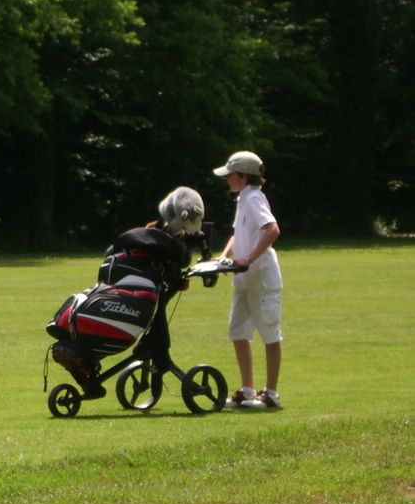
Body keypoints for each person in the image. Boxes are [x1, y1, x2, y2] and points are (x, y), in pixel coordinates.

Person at [49, 186, 207, 398]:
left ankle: (87, 374)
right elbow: (179, 261)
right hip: (141, 294)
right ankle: (159, 361)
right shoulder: (163, 244)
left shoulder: (140, 238)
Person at [213, 151, 283, 409]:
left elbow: (272, 230)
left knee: (269, 334)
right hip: (244, 280)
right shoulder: (243, 199)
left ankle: (271, 394)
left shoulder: (254, 198)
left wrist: (249, 258)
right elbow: (236, 234)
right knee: (238, 332)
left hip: (262, 279)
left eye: (230, 175)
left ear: (242, 176)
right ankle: (247, 390)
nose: (227, 179)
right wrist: (223, 256)